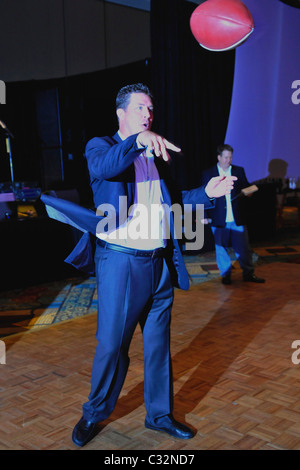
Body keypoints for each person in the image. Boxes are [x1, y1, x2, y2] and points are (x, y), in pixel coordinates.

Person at [70, 84, 237, 447]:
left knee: (159, 345)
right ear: (121, 113)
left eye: (151, 109)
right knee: (112, 346)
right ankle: (94, 413)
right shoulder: (101, 147)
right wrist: (139, 140)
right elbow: (107, 166)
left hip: (159, 262)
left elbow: (173, 200)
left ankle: (159, 415)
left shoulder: (153, 156)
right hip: (122, 262)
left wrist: (207, 193)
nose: (148, 115)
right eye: (141, 109)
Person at [201, 144, 265, 285]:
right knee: (221, 249)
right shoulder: (209, 173)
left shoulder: (238, 171)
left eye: (230, 157)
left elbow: (245, 187)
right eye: (225, 157)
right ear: (219, 157)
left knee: (244, 248)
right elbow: (204, 197)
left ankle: (248, 273)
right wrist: (204, 216)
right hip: (218, 218)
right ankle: (226, 275)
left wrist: (249, 192)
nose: (228, 160)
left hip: (237, 217)